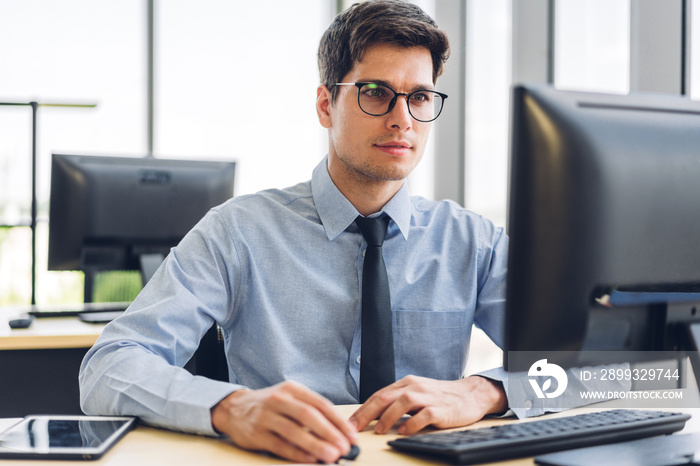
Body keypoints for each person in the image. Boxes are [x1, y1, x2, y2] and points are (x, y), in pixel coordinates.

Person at [79, 1, 510, 463]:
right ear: (326, 105)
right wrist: (229, 407)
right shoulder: (238, 231)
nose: (402, 118)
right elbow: (109, 366)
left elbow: (590, 370)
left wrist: (486, 391)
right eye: (375, 92)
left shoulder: (474, 241)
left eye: (419, 97)